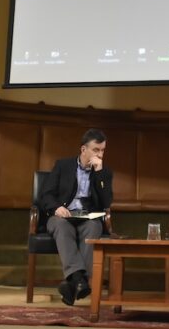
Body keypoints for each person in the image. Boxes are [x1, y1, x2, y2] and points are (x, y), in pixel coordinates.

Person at [38, 129, 113, 306]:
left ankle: (73, 283)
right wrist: (57, 208)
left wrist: (99, 173)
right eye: (96, 150)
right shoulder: (62, 166)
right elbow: (46, 194)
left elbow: (106, 202)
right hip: (62, 216)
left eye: (102, 150)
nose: (100, 155)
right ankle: (80, 280)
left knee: (94, 227)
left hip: (87, 218)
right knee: (61, 226)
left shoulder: (104, 172)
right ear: (83, 149)